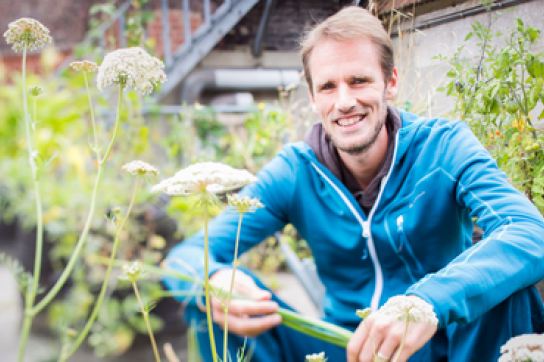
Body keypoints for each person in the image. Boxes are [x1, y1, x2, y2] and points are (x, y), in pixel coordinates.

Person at [163, 6, 544, 362]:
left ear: (389, 82)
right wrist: (213, 280)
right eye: (328, 86)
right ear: (312, 97)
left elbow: (529, 232)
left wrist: (424, 304)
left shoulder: (443, 148)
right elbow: (184, 259)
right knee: (215, 306)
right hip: (343, 347)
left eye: (359, 80)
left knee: (510, 290)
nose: (344, 101)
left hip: (442, 344)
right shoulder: (295, 172)